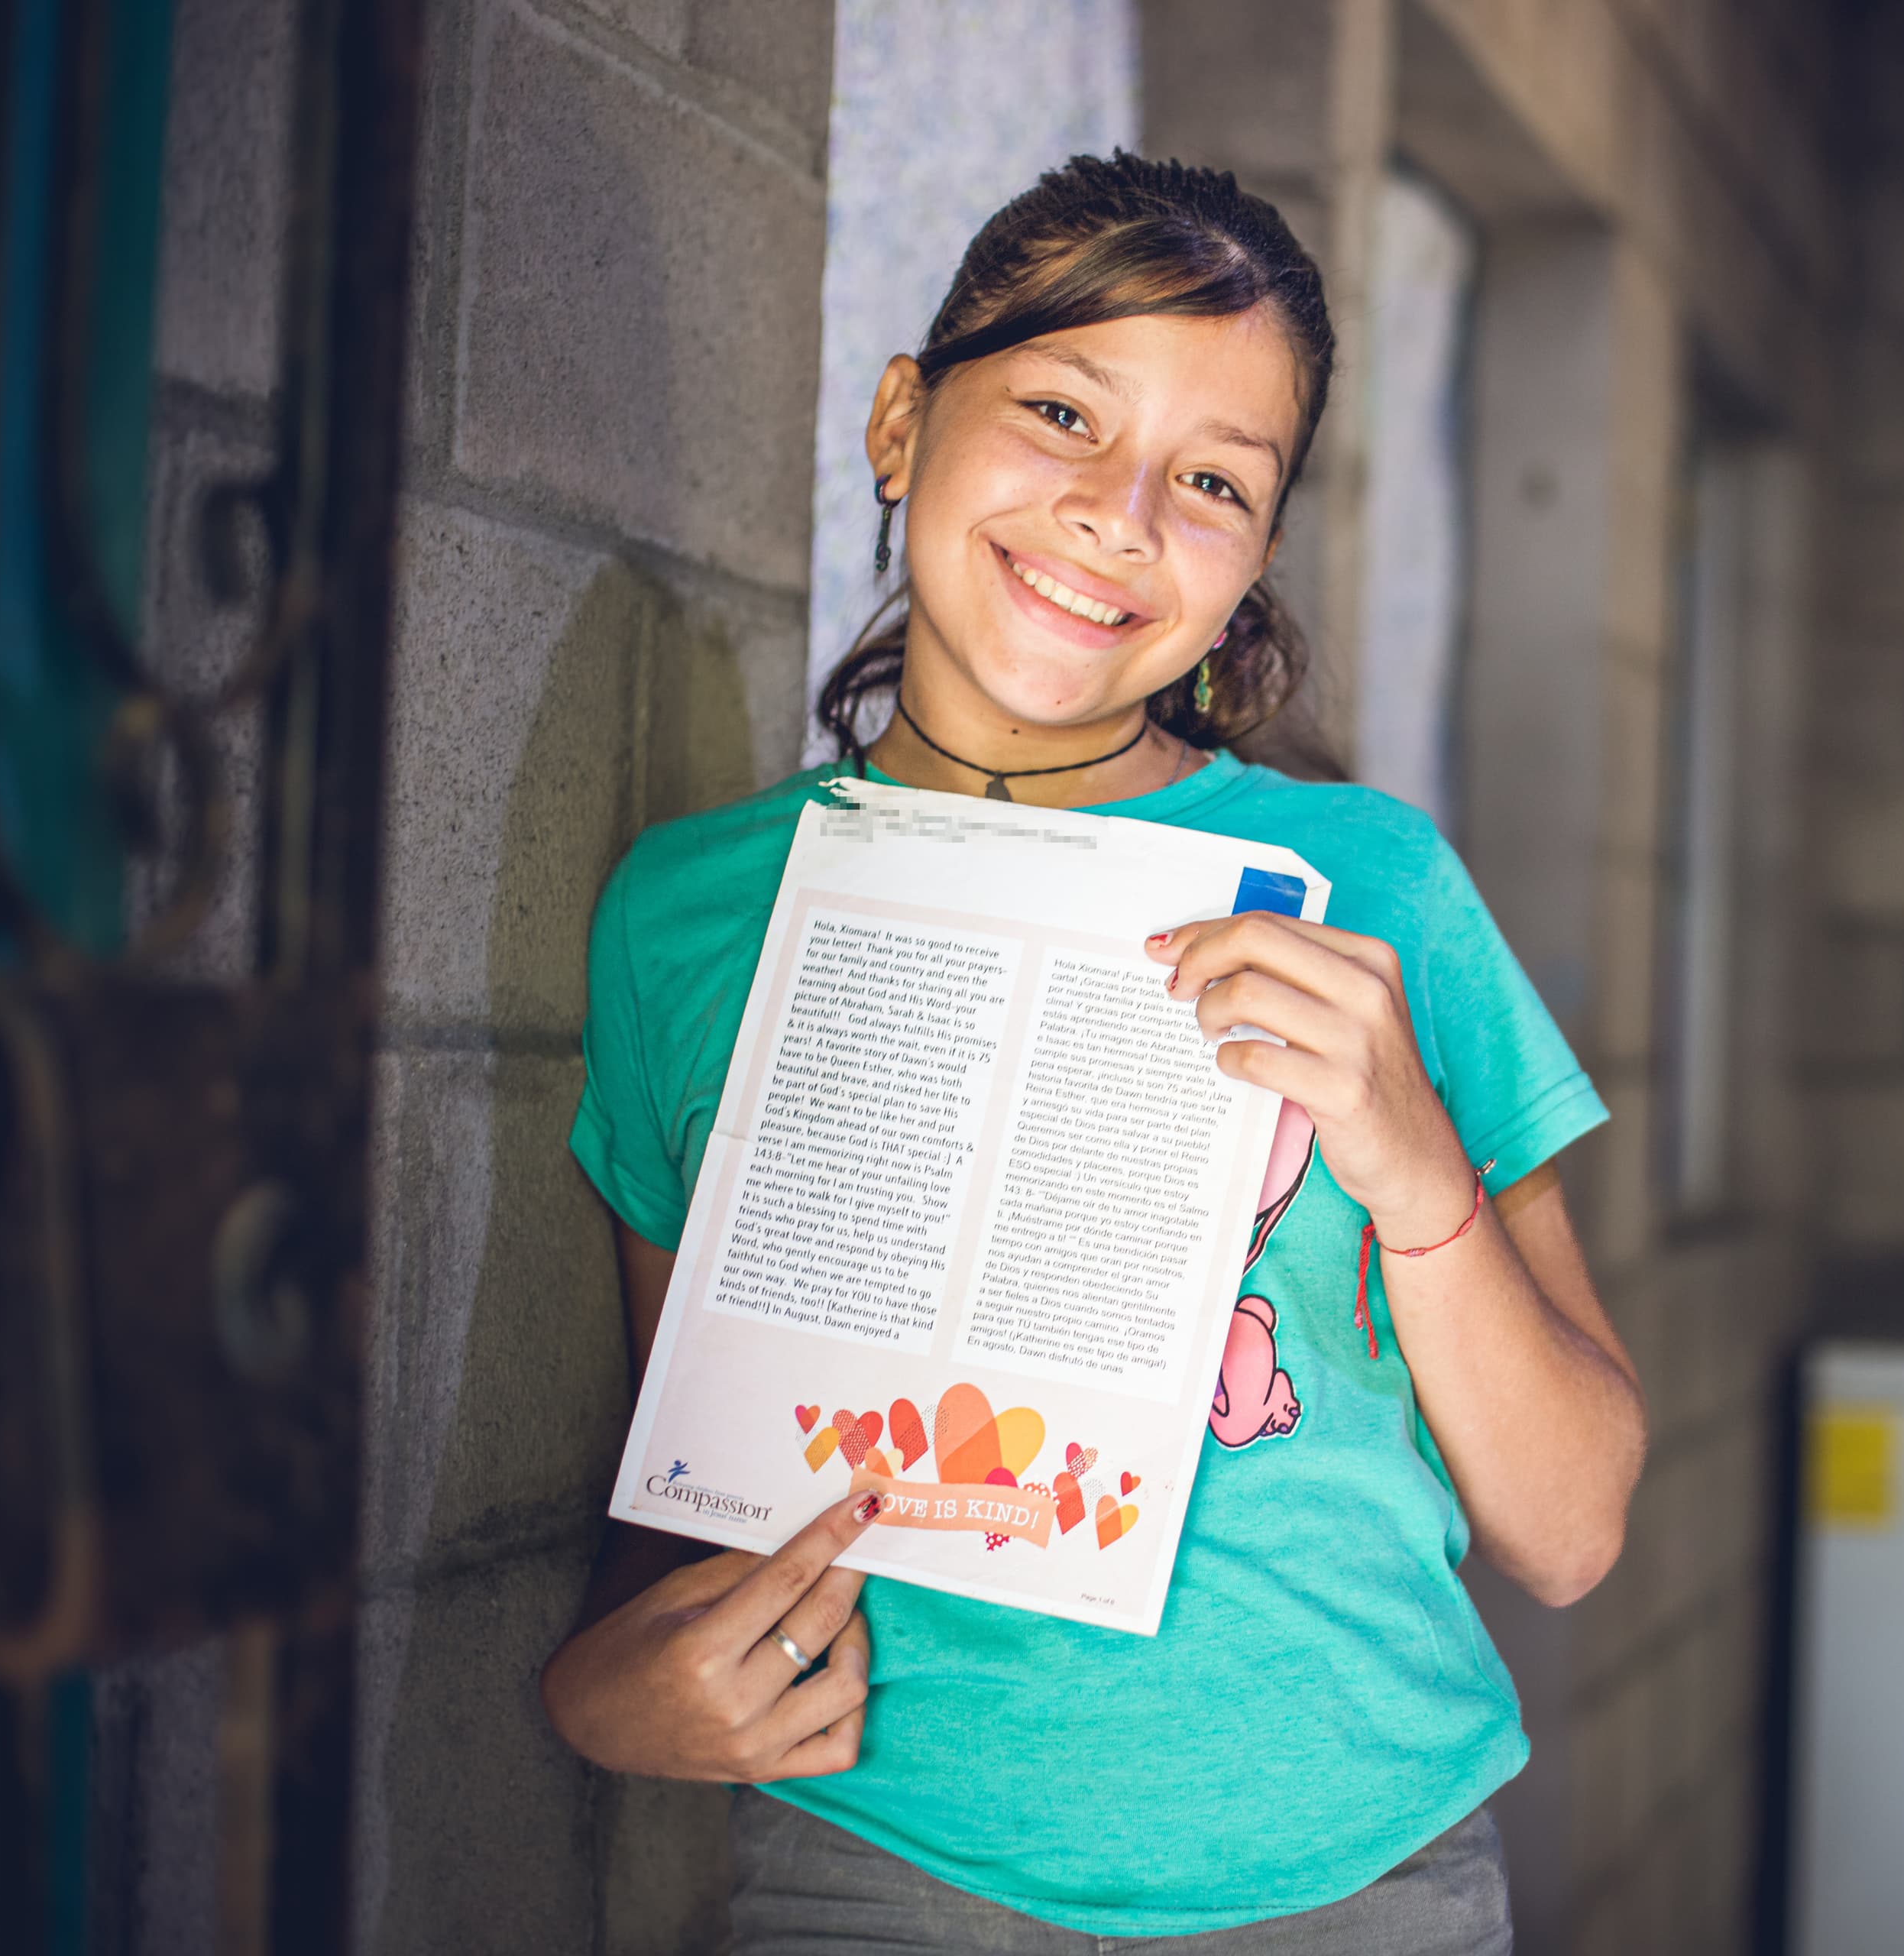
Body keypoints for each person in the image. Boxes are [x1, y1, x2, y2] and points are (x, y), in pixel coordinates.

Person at [539, 152, 1646, 1953]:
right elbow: (699, 1474)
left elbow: (1574, 1526)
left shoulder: (1372, 888)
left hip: (1362, 1880)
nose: (1119, 513)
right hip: (873, 1874)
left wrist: (1416, 1163)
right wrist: (598, 1692)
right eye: (1060, 409)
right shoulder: (697, 915)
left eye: (1213, 479)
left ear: (1257, 557)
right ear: (903, 420)